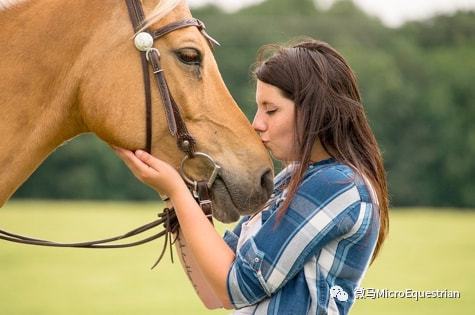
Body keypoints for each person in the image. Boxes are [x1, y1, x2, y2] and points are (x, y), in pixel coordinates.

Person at [113, 38, 389, 314]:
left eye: (271, 110)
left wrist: (177, 191)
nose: (256, 123)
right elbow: (213, 292)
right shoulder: (291, 179)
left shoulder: (339, 185)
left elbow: (235, 288)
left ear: (316, 110)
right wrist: (173, 194)